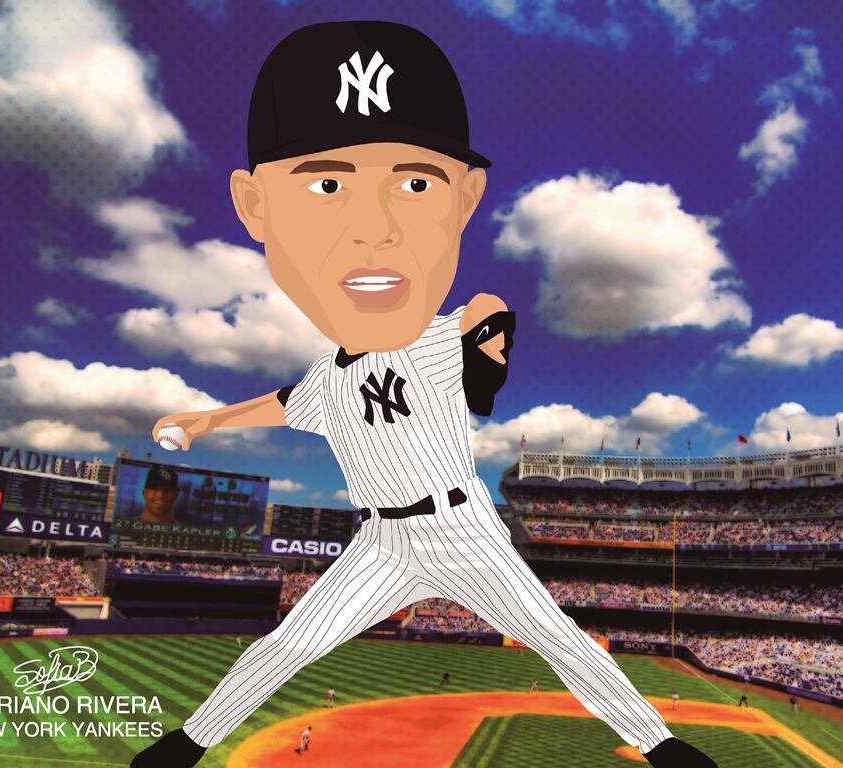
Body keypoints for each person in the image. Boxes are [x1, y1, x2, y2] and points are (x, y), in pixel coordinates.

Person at [133, 20, 715, 768]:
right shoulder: (328, 375)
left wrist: (487, 344)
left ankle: (663, 746)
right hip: (381, 542)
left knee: (558, 637)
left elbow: (483, 313)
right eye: (328, 185)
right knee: (290, 643)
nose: (373, 229)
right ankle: (186, 745)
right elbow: (283, 401)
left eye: (414, 185)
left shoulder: (434, 337)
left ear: (461, 199)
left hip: (462, 529)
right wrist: (209, 420)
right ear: (257, 205)